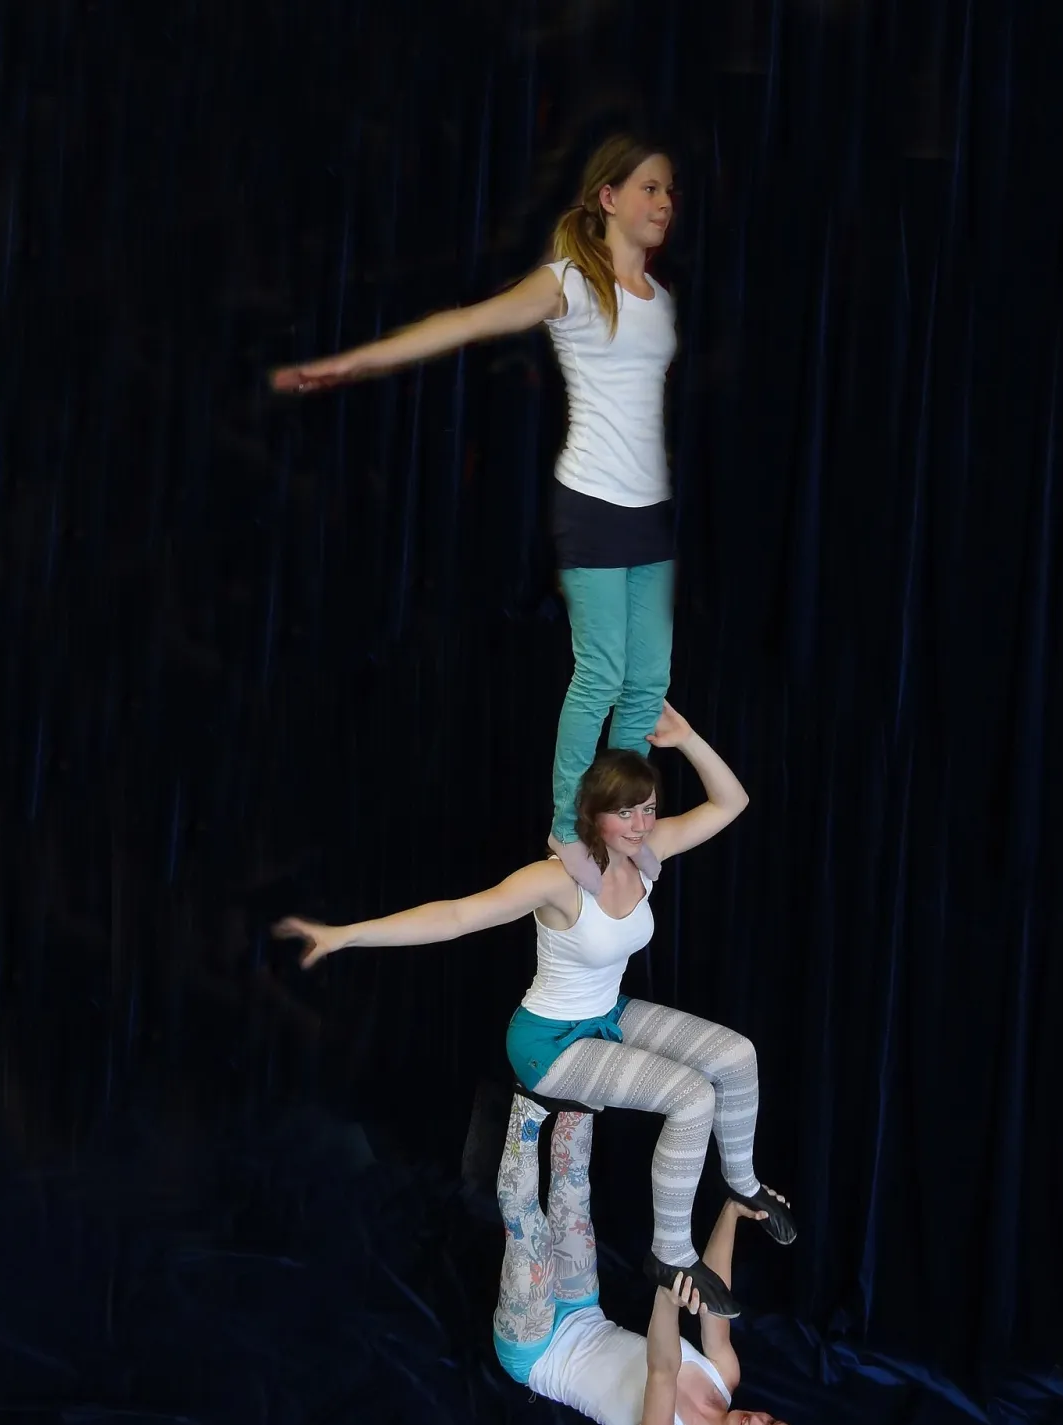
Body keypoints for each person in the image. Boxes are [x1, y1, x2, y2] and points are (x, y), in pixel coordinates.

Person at [273, 702, 797, 1317]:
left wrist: (685, 737)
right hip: (548, 1044)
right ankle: (671, 1252)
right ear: (592, 816)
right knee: (692, 1098)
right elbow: (457, 915)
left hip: (608, 1013)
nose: (640, 824)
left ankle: (743, 1183)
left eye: (649, 808)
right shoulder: (556, 880)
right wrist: (345, 935)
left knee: (737, 1056)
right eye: (624, 812)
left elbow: (731, 802)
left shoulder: (645, 853)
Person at [270, 134, 681, 894]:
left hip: (650, 514)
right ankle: (568, 828)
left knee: (647, 682)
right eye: (649, 188)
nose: (664, 203)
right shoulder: (569, 282)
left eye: (669, 190)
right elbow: (465, 323)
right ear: (609, 198)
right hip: (593, 504)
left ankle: (622, 823)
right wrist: (352, 362)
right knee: (602, 672)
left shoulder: (659, 300)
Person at [493, 1091, 823, 1425]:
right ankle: (568, 1073)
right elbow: (717, 1297)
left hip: (537, 1351)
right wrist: (733, 1210)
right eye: (771, 1422)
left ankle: (525, 1103)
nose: (757, 1422)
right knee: (572, 1185)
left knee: (527, 1223)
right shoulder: (724, 1376)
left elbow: (662, 1369)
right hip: (583, 1309)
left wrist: (668, 1292)